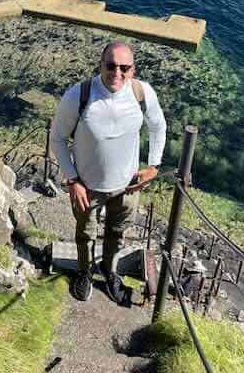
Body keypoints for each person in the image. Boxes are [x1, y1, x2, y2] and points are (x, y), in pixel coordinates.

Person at [50, 41, 166, 304]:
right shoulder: (78, 96)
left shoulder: (141, 93)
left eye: (124, 68)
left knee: (118, 232)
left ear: (133, 70)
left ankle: (110, 271)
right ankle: (84, 272)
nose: (117, 73)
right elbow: (57, 138)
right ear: (100, 65)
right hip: (86, 187)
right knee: (85, 234)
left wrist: (154, 166)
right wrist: (72, 180)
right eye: (111, 65)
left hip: (127, 186)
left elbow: (159, 126)